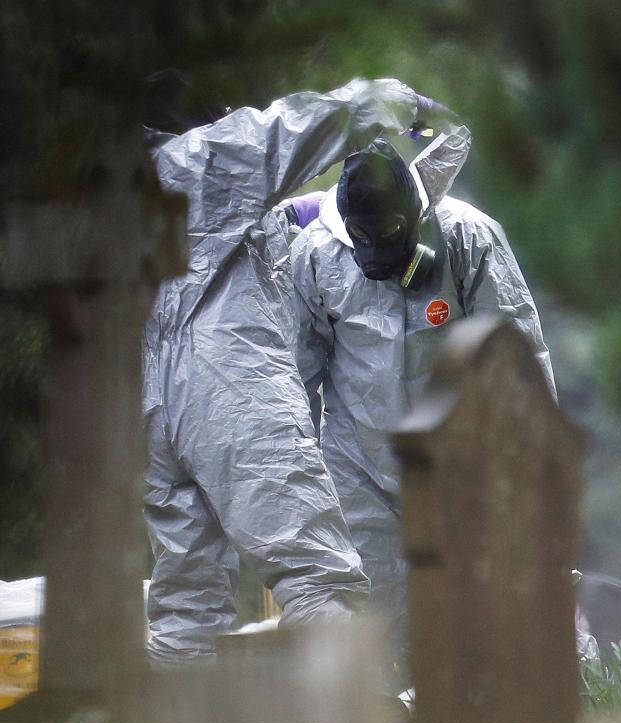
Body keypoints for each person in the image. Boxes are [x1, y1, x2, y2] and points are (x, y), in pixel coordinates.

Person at [143, 78, 445, 661]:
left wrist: (306, 216)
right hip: (225, 389)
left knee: (185, 609)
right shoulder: (205, 158)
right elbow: (301, 126)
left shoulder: (117, 193)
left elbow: (227, 238)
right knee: (321, 579)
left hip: (145, 409)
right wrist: (396, 101)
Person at [290, 131, 556, 683]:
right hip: (361, 466)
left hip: (465, 465)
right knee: (374, 620)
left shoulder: (467, 236)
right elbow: (297, 373)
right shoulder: (316, 254)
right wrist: (297, 480)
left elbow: (517, 355)